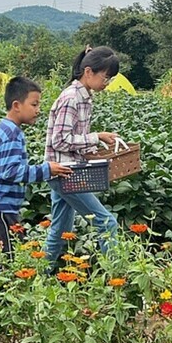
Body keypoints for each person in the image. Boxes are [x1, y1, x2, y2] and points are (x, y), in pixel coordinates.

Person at [43, 46, 121, 263]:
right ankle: (116, 273)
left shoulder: (85, 97)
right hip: (64, 172)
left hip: (69, 169)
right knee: (106, 222)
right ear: (88, 72)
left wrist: (95, 148)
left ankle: (37, 274)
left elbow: (76, 138)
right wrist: (96, 137)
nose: (107, 83)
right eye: (106, 77)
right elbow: (60, 140)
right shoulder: (71, 98)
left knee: (60, 230)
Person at [0, 76, 71, 253]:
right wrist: (46, 170)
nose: (38, 110)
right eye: (34, 104)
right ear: (16, 105)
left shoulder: (6, 128)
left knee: (14, 253)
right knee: (6, 257)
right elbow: (11, 172)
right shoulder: (11, 134)